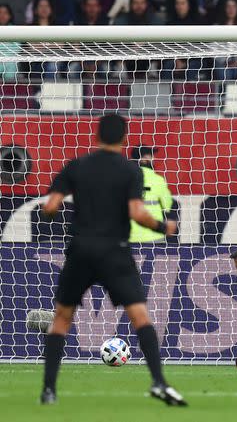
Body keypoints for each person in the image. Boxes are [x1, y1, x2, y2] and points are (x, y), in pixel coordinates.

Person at [39, 113, 185, 406]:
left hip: (80, 249)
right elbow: (137, 214)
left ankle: (49, 390)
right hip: (114, 251)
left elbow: (50, 207)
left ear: (97, 136)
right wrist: (163, 227)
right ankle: (158, 382)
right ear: (124, 139)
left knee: (62, 319)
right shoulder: (129, 171)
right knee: (140, 316)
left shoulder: (77, 166)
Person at [129, 146, 174, 243]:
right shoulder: (158, 180)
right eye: (151, 156)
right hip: (153, 235)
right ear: (144, 159)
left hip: (129, 236)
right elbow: (168, 206)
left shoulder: (124, 178)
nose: (154, 159)